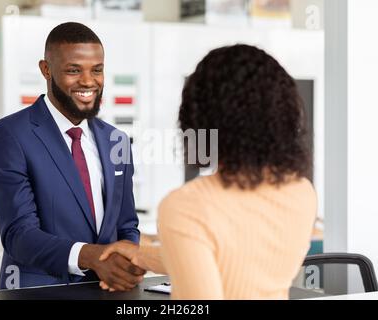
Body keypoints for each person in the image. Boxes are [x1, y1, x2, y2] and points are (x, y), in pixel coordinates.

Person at [99, 44, 317, 299]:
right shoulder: (301, 190)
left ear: (198, 115)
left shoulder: (187, 205)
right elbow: (230, 259)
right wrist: (140, 255)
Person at [0, 22, 144, 290]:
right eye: (73, 70)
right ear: (46, 70)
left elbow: (127, 224)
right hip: (39, 292)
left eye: (97, 70)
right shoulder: (8, 135)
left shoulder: (116, 139)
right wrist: (92, 257)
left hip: (109, 290)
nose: (88, 81)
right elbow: (18, 235)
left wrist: (127, 257)